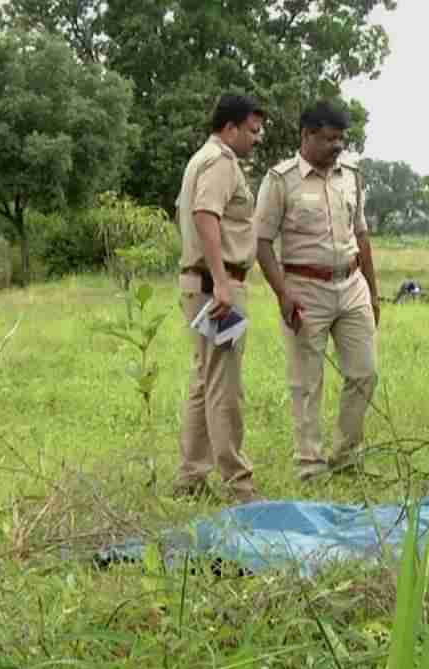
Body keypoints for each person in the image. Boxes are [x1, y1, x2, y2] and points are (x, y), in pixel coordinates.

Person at [255, 99, 379, 480]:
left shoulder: (352, 175)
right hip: (305, 288)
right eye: (329, 139)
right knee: (307, 381)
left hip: (352, 283)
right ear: (307, 136)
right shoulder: (280, 180)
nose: (337, 147)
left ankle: (348, 455)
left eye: (342, 139)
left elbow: (361, 233)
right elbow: (261, 242)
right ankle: (310, 463)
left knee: (365, 372)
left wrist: (374, 291)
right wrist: (282, 293)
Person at [173, 94, 265, 502]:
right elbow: (206, 215)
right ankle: (238, 484)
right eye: (252, 130)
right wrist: (222, 281)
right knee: (224, 386)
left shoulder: (200, 160)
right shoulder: (220, 162)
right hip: (217, 287)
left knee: (204, 381)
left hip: (201, 283)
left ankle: (191, 477)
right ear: (230, 127)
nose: (257, 138)